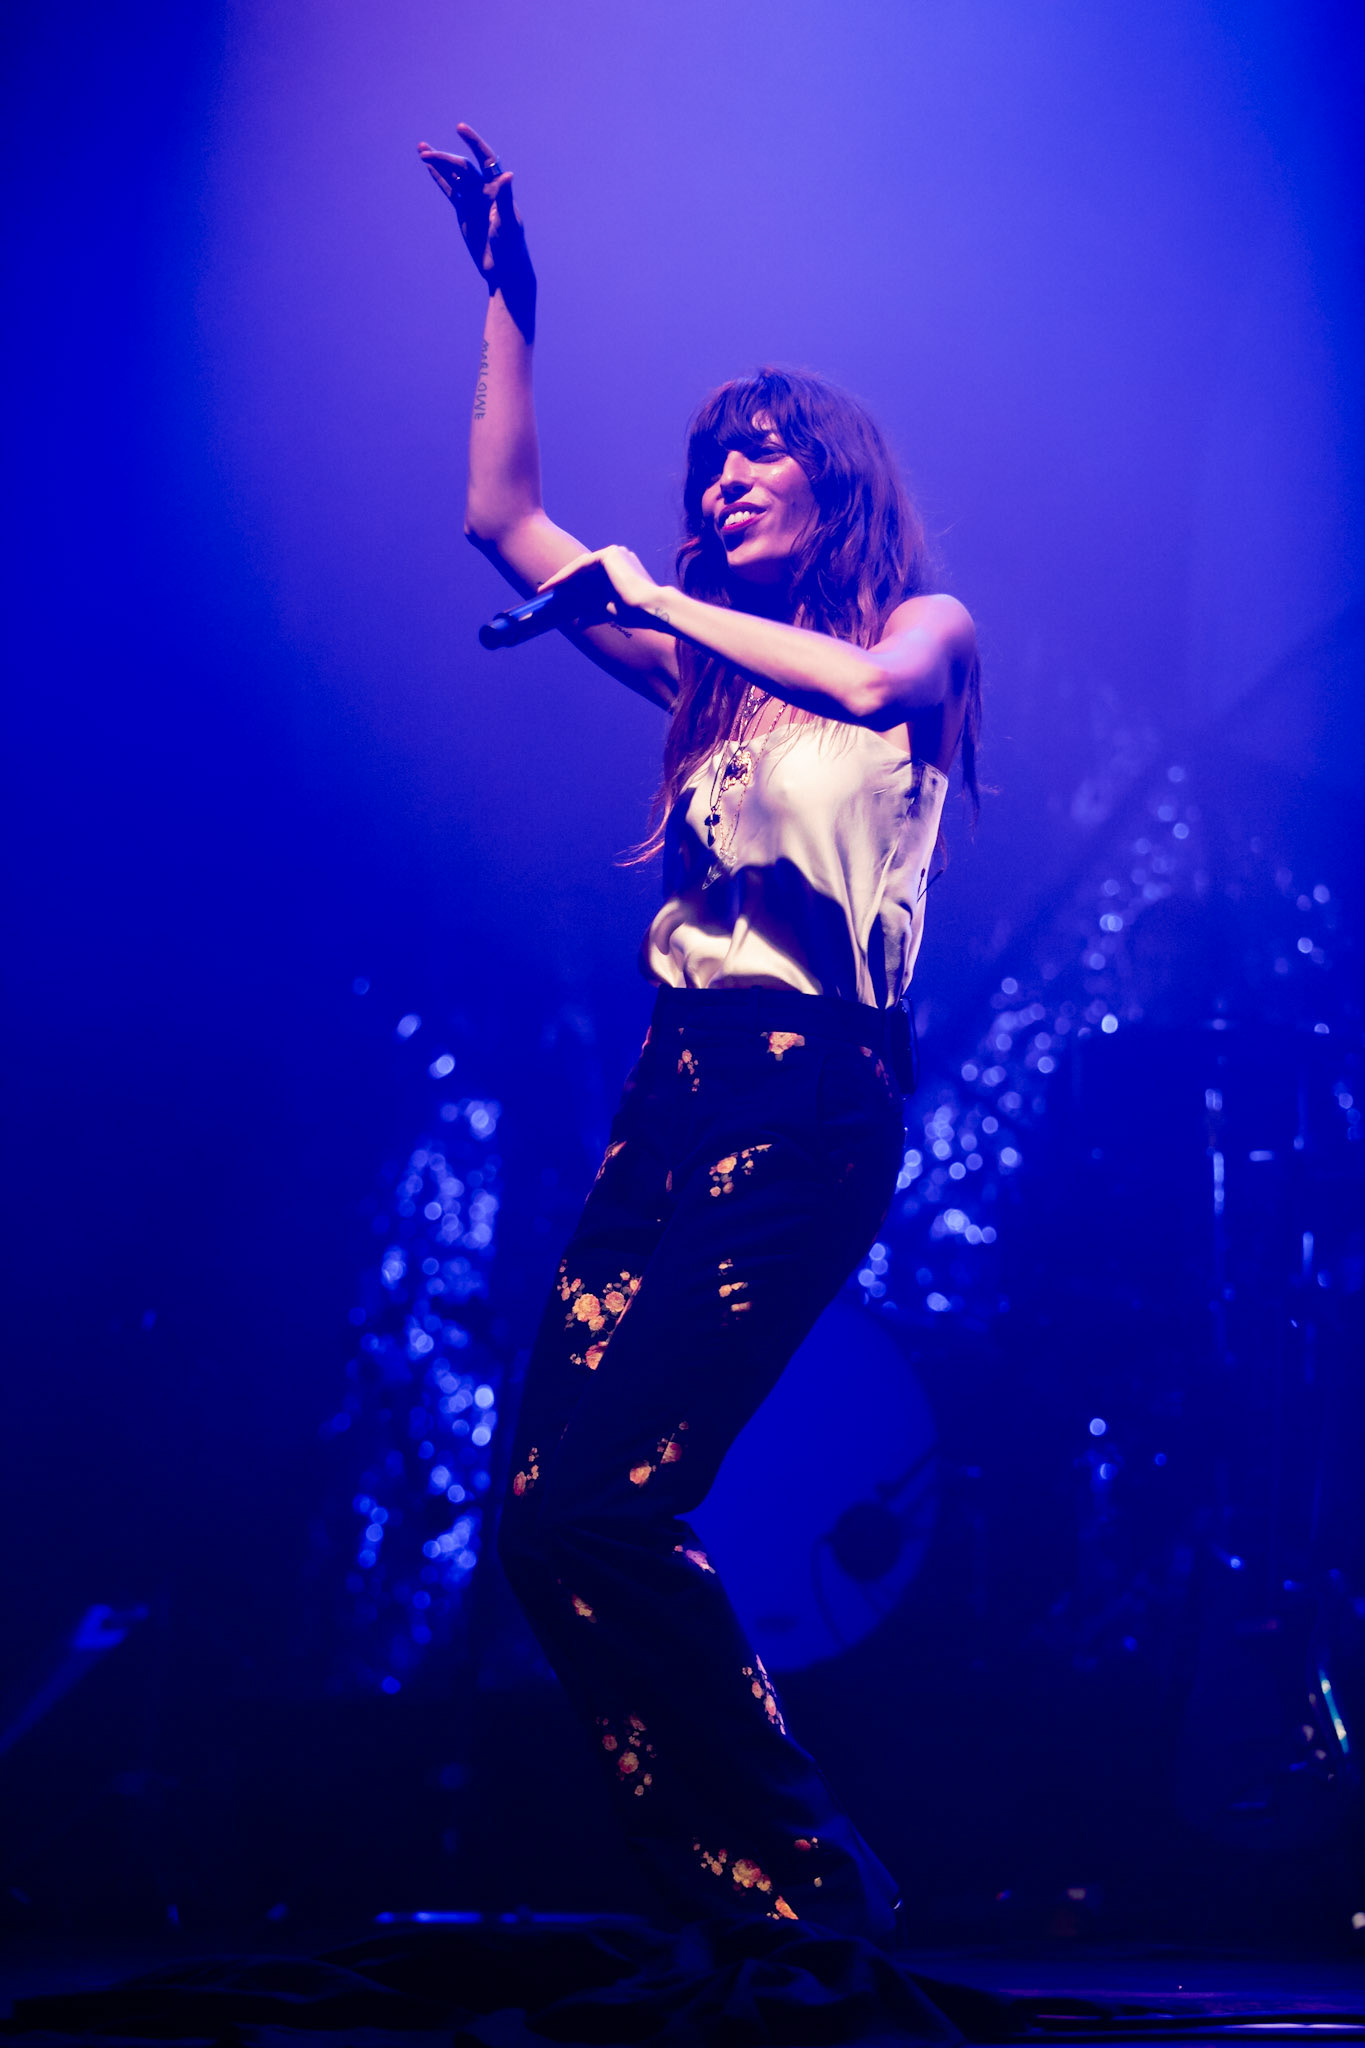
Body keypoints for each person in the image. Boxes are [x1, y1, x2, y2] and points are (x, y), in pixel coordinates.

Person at [420, 123, 980, 1945]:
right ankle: (744, 1891)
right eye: (708, 462)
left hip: (811, 1101)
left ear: (833, 482)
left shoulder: (919, 629)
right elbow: (505, 517)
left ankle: (812, 1892)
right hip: (668, 1104)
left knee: (618, 1498)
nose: (726, 478)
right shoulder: (709, 673)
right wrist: (510, 292)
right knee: (549, 1524)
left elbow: (879, 689)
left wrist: (649, 590)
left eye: (759, 454)